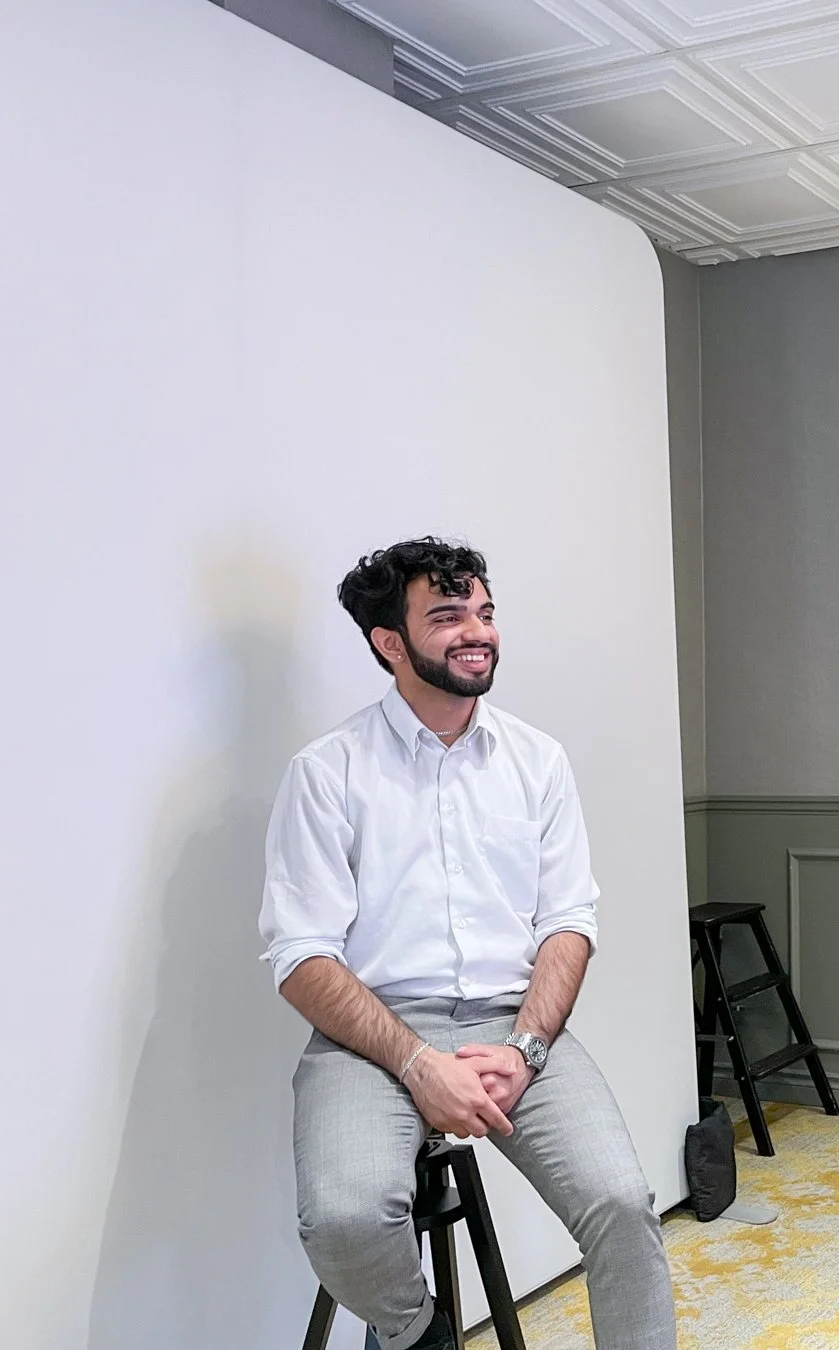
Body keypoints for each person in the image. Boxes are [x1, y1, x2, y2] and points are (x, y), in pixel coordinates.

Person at [260, 537, 678, 1350]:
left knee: (624, 1205)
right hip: (371, 1036)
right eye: (448, 616)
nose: (476, 631)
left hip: (510, 1024)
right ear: (390, 642)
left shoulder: (538, 761)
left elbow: (567, 924)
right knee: (343, 1219)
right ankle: (420, 1335)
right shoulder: (327, 772)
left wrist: (524, 1048)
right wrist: (417, 1064)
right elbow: (301, 956)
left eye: (483, 613)